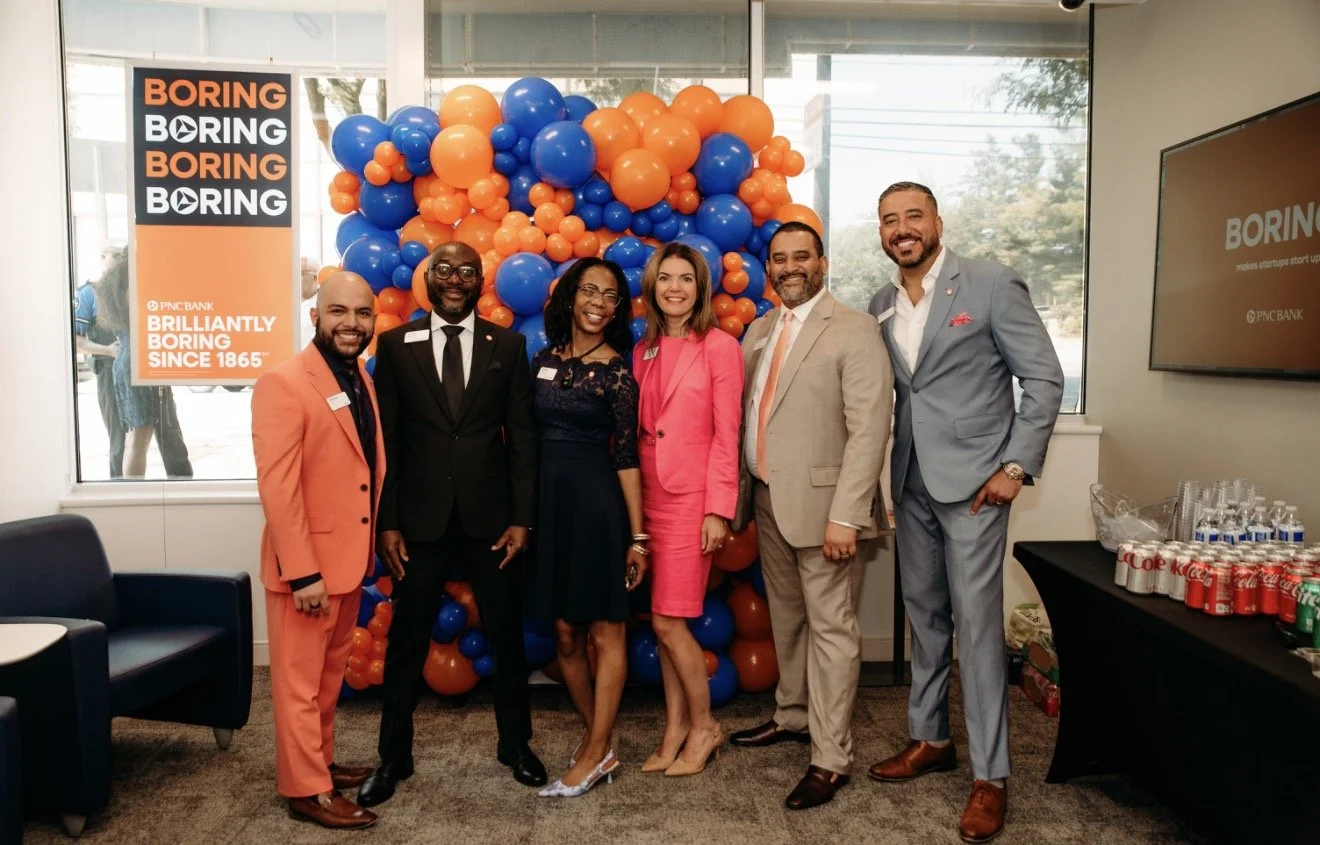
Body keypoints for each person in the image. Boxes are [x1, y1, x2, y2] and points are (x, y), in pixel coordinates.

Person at [865, 182, 1063, 844]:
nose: (902, 228)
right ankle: (930, 738)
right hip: (912, 481)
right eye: (890, 221)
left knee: (978, 627)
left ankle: (991, 775)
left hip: (978, 483)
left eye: (912, 215)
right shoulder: (881, 303)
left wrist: (1014, 466)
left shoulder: (989, 284)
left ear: (938, 221)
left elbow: (1044, 378)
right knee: (926, 617)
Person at [358, 241, 544, 806]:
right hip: (417, 523)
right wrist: (386, 525)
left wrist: (522, 518)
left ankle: (516, 746)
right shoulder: (394, 345)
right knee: (406, 642)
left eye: (466, 270)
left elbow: (523, 440)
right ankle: (393, 756)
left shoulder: (507, 346)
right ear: (429, 279)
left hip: (492, 522)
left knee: (507, 638)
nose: (455, 279)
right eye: (445, 270)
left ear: (480, 280)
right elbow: (384, 442)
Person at [729, 221, 894, 810]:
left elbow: (870, 429)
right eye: (780, 259)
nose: (790, 267)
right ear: (768, 267)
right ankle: (793, 715)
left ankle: (830, 758)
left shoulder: (854, 329)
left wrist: (847, 515)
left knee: (831, 629)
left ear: (822, 263)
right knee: (788, 619)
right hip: (770, 499)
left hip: (827, 509)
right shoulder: (761, 328)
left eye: (802, 257)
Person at [251, 270, 384, 830]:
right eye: (339, 312)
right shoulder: (283, 383)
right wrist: (302, 572)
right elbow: (278, 489)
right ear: (316, 315)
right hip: (307, 571)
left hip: (349, 563)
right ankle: (307, 789)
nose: (351, 324)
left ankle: (319, 762)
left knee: (328, 678)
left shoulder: (357, 379)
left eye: (362, 314)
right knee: (299, 686)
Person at [528, 257, 645, 798]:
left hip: (598, 508)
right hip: (549, 508)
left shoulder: (619, 372)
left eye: (611, 296)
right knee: (566, 633)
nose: (599, 302)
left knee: (606, 629)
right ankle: (598, 736)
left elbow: (626, 457)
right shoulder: (542, 360)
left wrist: (637, 537)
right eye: (590, 291)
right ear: (571, 297)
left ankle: (597, 751)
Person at [632, 243, 743, 777]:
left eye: (686, 278)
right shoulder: (644, 349)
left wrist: (717, 510)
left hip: (692, 501)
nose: (674, 287)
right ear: (652, 287)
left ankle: (704, 727)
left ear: (700, 288)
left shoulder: (719, 347)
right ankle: (674, 728)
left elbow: (728, 436)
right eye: (665, 278)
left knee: (668, 619)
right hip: (648, 498)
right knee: (663, 625)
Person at [94, 249, 194, 479]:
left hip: (132, 361)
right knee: (139, 440)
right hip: (137, 363)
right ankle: (131, 492)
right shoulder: (133, 288)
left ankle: (130, 491)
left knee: (136, 439)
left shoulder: (116, 285)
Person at [74, 245, 126, 478]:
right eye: (114, 256)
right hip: (108, 369)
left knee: (167, 438)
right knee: (118, 439)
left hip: (138, 369)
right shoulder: (88, 293)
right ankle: (119, 485)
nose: (118, 261)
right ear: (103, 258)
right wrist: (107, 350)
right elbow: (76, 340)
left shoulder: (131, 290)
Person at [299, 256, 321, 351]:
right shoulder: (289, 304)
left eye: (301, 274)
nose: (297, 279)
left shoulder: (322, 304)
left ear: (315, 278)